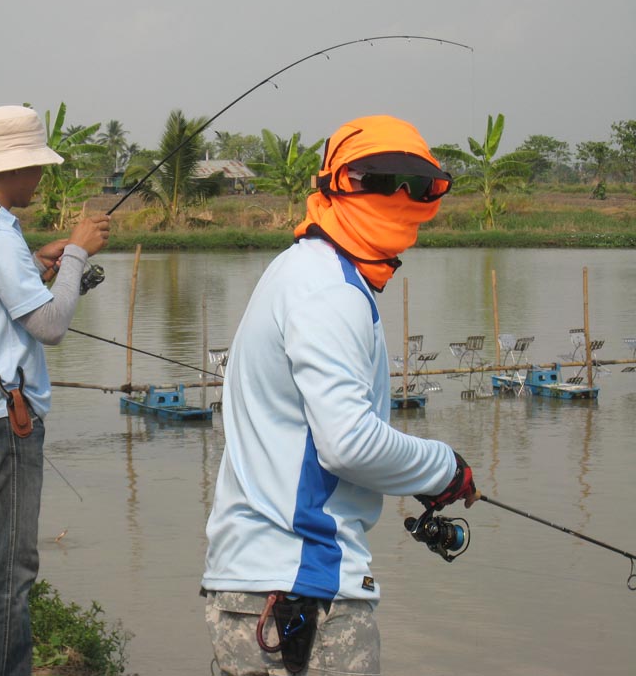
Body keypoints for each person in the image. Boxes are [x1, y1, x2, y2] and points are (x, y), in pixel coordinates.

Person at [201, 115, 478, 676]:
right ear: (333, 182)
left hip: (258, 580)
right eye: (378, 179)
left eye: (418, 184)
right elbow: (349, 445)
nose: (399, 196)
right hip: (302, 588)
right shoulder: (330, 290)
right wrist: (445, 469)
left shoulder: (300, 270)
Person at [0, 105, 110, 676]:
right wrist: (79, 251)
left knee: (1, 566)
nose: (41, 178)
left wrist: (38, 262)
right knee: (8, 575)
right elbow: (51, 327)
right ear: (17, 166)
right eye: (38, 166)